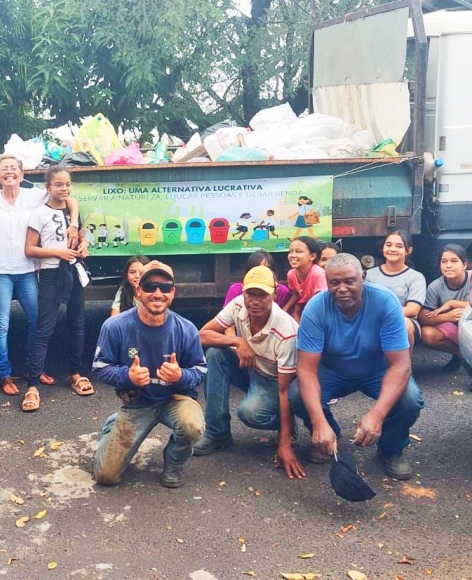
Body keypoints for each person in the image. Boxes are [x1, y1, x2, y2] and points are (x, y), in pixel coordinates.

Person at [290, 253, 425, 481]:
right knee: (296, 395)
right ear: (326, 282)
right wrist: (319, 423)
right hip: (333, 370)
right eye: (334, 282)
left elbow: (401, 365)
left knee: (410, 398)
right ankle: (328, 434)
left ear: (363, 278)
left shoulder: (385, 301)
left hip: (377, 370)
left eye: (349, 281)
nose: (342, 288)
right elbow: (306, 370)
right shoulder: (315, 308)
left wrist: (377, 415)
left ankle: (390, 449)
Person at [0, 154, 80, 396]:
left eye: (13, 168)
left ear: (22, 173)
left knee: (36, 320)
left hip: (28, 268)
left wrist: (73, 224)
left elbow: (69, 198)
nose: (9, 172)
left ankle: (33, 369)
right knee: (1, 324)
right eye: (3, 169)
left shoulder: (35, 196)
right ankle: (5, 375)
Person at [92, 261, 207, 488]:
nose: (157, 293)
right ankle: (114, 426)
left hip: (174, 399)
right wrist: (127, 377)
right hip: (137, 402)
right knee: (106, 477)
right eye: (150, 286)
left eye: (164, 288)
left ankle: (174, 463)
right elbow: (99, 368)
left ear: (173, 292)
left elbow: (200, 371)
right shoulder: (115, 326)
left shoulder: (186, 329)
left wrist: (180, 376)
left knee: (193, 426)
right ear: (138, 290)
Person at [195, 266, 305, 479]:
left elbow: (284, 391)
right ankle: (218, 433)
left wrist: (285, 445)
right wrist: (237, 340)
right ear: (242, 293)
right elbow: (202, 335)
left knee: (250, 413)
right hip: (251, 367)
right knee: (216, 354)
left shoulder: (286, 331)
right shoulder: (237, 306)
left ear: (273, 295)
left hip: (274, 379)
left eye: (262, 295)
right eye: (250, 294)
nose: (255, 301)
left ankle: (288, 426)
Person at [24, 167, 93, 412]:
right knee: (45, 327)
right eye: (58, 185)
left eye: (67, 184)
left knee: (77, 323)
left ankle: (76, 373)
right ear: (48, 187)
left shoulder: (72, 210)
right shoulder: (39, 214)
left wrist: (83, 244)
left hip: (73, 270)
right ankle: (32, 384)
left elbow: (81, 235)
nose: (63, 189)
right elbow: (30, 249)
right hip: (51, 273)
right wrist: (57, 252)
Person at [365, 231, 426, 351]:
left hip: (404, 320)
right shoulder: (369, 275)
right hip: (372, 319)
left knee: (404, 324)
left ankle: (405, 367)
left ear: (409, 250)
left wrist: (383, 315)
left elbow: (412, 310)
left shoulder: (415, 277)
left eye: (399, 246)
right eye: (388, 245)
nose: (392, 249)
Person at [418, 244, 471, 374]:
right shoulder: (435, 286)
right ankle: (461, 355)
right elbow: (423, 317)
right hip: (453, 327)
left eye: (454, 261)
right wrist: (447, 316)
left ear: (464, 264)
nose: (448, 265)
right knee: (427, 334)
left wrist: (453, 303)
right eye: (444, 261)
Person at [223, 250, 291, 308]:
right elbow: (225, 319)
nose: (262, 272)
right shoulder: (236, 289)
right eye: (250, 294)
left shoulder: (282, 291)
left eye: (268, 268)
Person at [283, 236, 327, 322]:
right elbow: (297, 294)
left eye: (299, 251)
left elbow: (321, 303)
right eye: (290, 251)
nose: (292, 255)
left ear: (312, 256)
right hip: (305, 309)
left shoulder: (318, 274)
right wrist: (285, 309)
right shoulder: (291, 274)